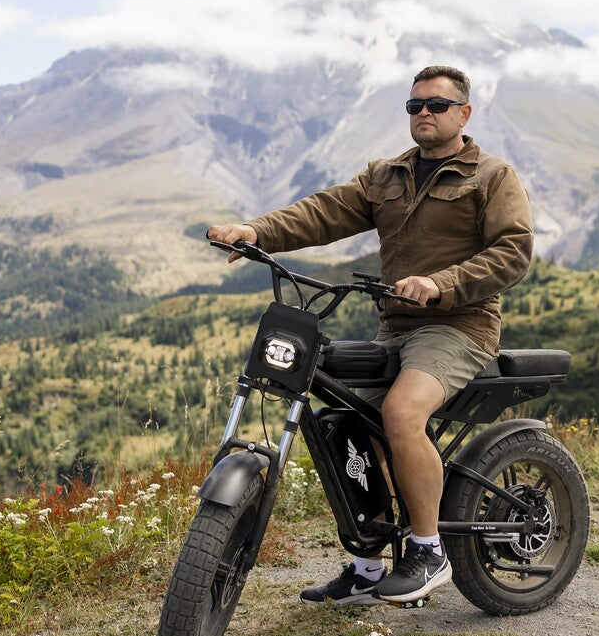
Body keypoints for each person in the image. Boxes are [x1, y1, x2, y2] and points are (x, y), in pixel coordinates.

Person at [207, 65, 533, 605]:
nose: (423, 113)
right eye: (414, 106)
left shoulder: (491, 177)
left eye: (436, 105)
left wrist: (440, 283)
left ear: (464, 114)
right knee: (343, 422)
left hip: (459, 326)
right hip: (395, 329)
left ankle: (428, 552)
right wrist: (256, 231)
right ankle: (367, 564)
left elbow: (513, 251)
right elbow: (324, 213)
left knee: (402, 414)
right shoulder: (387, 176)